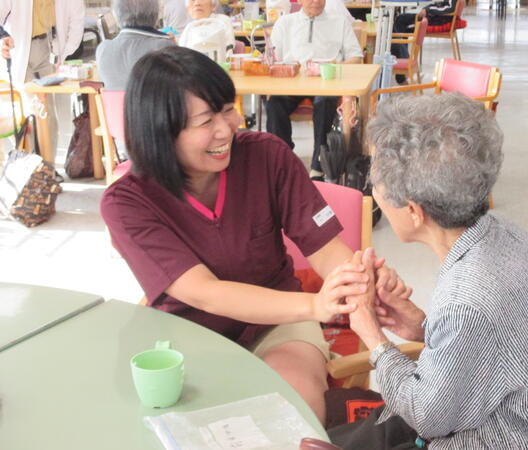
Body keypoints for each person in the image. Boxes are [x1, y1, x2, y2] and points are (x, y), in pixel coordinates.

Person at [100, 46, 400, 425]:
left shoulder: (267, 157)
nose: (227, 128)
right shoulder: (128, 202)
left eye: (227, 108)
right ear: (161, 131)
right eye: (206, 120)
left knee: (291, 413)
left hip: (280, 321)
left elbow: (325, 250)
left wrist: (361, 279)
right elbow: (204, 292)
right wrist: (316, 306)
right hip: (188, 334)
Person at [329, 93, 528, 449]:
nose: (374, 194)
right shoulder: (507, 235)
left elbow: (428, 415)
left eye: (377, 186)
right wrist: (422, 326)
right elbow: (491, 349)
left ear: (414, 211)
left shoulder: (467, 298)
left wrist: (374, 339)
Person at [267, 0, 363, 181]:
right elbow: (272, 58)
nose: (316, 1)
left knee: (325, 101)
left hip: (326, 80)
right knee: (274, 103)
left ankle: (319, 164)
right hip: (293, 79)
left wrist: (334, 67)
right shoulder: (285, 22)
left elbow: (356, 56)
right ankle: (282, 157)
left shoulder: (339, 22)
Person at [0, 0, 84, 163]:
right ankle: (33, 168)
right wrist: (2, 37)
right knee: (31, 111)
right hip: (20, 50)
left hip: (46, 50)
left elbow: (75, 19)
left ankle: (48, 168)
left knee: (49, 113)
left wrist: (63, 53)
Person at [96, 0, 175, 91]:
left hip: (113, 105)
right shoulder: (163, 46)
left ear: (117, 14)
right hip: (151, 105)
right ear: (155, 14)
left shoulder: (103, 49)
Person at [390, 0, 456, 83]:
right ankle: (404, 69)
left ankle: (404, 69)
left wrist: (428, 10)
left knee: (399, 23)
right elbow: (441, 5)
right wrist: (427, 8)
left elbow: (450, 8)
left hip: (438, 19)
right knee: (401, 25)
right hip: (435, 16)